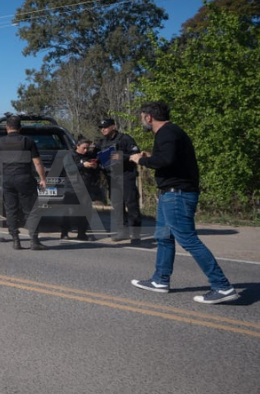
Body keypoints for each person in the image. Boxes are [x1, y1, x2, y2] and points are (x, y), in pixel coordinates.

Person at [129, 102, 239, 304]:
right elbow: (170, 159)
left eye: (142, 117)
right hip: (170, 194)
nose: (142, 120)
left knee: (188, 240)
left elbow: (166, 161)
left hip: (177, 195)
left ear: (149, 117)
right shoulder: (171, 133)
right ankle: (160, 280)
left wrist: (141, 160)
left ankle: (222, 286)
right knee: (163, 237)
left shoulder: (167, 133)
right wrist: (151, 157)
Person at [0, 116, 48, 250]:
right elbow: (37, 163)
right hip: (25, 178)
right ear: (20, 128)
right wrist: (43, 179)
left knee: (11, 210)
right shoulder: (27, 141)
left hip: (8, 180)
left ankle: (15, 240)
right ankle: (34, 240)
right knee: (30, 210)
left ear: (7, 128)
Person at [98, 117, 143, 243]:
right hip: (111, 177)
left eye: (105, 127)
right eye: (101, 128)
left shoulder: (125, 139)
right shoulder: (102, 142)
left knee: (131, 204)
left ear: (113, 127)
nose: (103, 129)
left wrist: (121, 156)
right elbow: (96, 155)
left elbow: (136, 154)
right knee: (117, 205)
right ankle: (123, 231)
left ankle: (135, 233)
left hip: (126, 175)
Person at [60, 137, 100, 240]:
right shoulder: (70, 156)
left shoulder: (88, 156)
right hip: (72, 188)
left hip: (85, 187)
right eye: (83, 148)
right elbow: (69, 169)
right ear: (77, 146)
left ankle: (82, 233)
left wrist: (94, 166)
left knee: (85, 211)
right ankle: (64, 232)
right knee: (69, 211)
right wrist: (82, 165)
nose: (85, 150)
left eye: (87, 148)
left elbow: (95, 172)